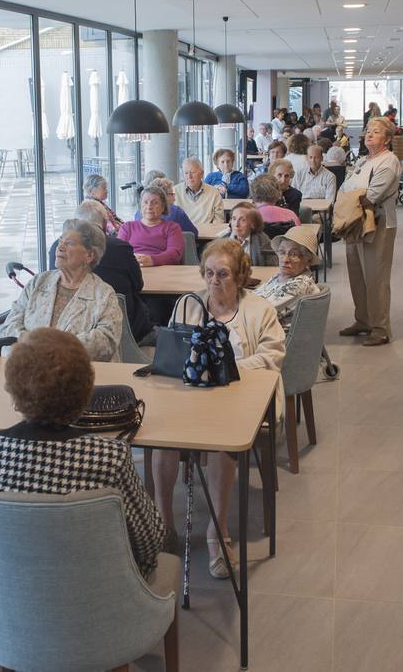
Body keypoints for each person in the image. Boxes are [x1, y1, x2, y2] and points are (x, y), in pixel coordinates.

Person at [0, 328, 168, 580]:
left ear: (11, 387)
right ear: (85, 392)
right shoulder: (109, 459)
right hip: (94, 603)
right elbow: (151, 542)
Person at [151, 240, 285, 579]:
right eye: (209, 273)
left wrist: (228, 367)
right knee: (161, 435)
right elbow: (172, 352)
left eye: (223, 274)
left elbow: (273, 357)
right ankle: (166, 526)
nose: (214, 281)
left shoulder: (259, 310)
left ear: (239, 276)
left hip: (243, 398)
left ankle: (217, 530)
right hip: (190, 396)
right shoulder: (187, 304)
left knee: (224, 443)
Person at [2, 219, 123, 361]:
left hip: (80, 375)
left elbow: (106, 341)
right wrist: (31, 345)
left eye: (69, 243)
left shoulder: (103, 294)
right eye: (60, 241)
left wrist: (55, 348)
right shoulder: (38, 282)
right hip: (30, 369)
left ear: (89, 255)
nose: (60, 247)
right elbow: (9, 326)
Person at [339, 118, 401, 345]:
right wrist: (350, 197)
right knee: (357, 274)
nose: (370, 134)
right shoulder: (364, 160)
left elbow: (372, 195)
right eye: (368, 131)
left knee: (376, 277)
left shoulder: (389, 161)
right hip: (355, 221)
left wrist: (349, 199)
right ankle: (363, 320)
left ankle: (380, 328)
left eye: (376, 132)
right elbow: (347, 187)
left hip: (378, 222)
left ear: (387, 139)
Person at [51, 201, 152, 340]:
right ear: (105, 224)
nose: (61, 246)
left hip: (67, 332)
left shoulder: (55, 249)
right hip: (126, 330)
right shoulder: (120, 248)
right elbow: (138, 285)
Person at [255, 226, 321, 325]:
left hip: (273, 336)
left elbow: (262, 312)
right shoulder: (283, 276)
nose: (285, 259)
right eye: (282, 252)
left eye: (293, 254)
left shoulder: (300, 285)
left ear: (308, 260)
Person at [117, 186, 184, 267]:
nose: (149, 207)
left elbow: (174, 254)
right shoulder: (127, 227)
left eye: (155, 203)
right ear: (140, 206)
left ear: (163, 207)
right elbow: (119, 252)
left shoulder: (172, 228)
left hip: (162, 269)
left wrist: (152, 260)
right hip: (132, 268)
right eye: (145, 202)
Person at [132, 176, 197, 235]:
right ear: (164, 196)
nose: (174, 198)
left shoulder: (138, 213)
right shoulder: (177, 212)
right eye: (172, 194)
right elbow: (193, 234)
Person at [175, 157, 223, 224]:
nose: (189, 176)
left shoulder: (214, 193)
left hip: (207, 233)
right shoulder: (174, 192)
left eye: (192, 172)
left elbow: (219, 219)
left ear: (201, 173)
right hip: (181, 233)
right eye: (186, 173)